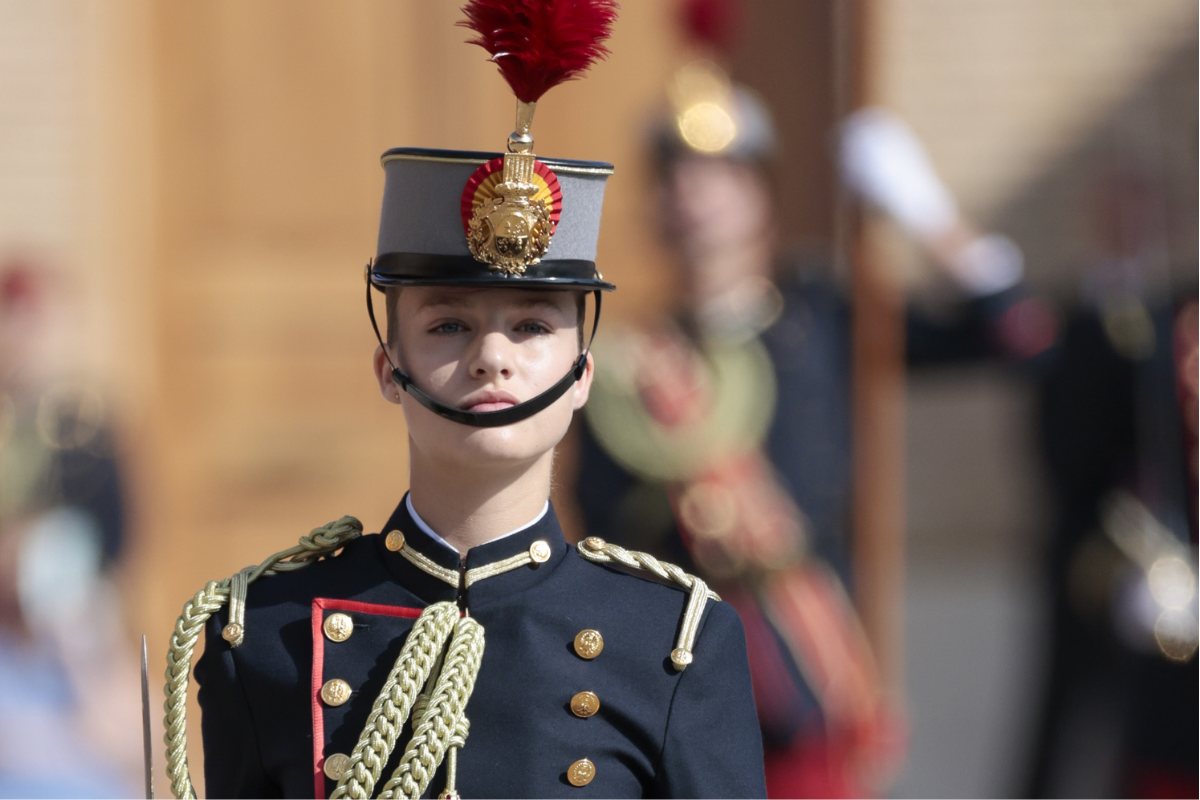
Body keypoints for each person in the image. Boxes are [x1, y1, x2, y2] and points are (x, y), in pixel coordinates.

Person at [166, 4, 766, 798]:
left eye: (531, 327)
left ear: (582, 374)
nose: (492, 357)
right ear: (389, 367)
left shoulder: (671, 642)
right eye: (448, 325)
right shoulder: (265, 631)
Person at [571, 57, 1043, 797]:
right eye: (677, 178)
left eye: (721, 176)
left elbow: (1012, 335)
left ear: (760, 195)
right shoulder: (629, 366)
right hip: (674, 681)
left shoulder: (823, 318)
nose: (696, 198)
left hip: (804, 676)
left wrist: (924, 212)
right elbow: (599, 526)